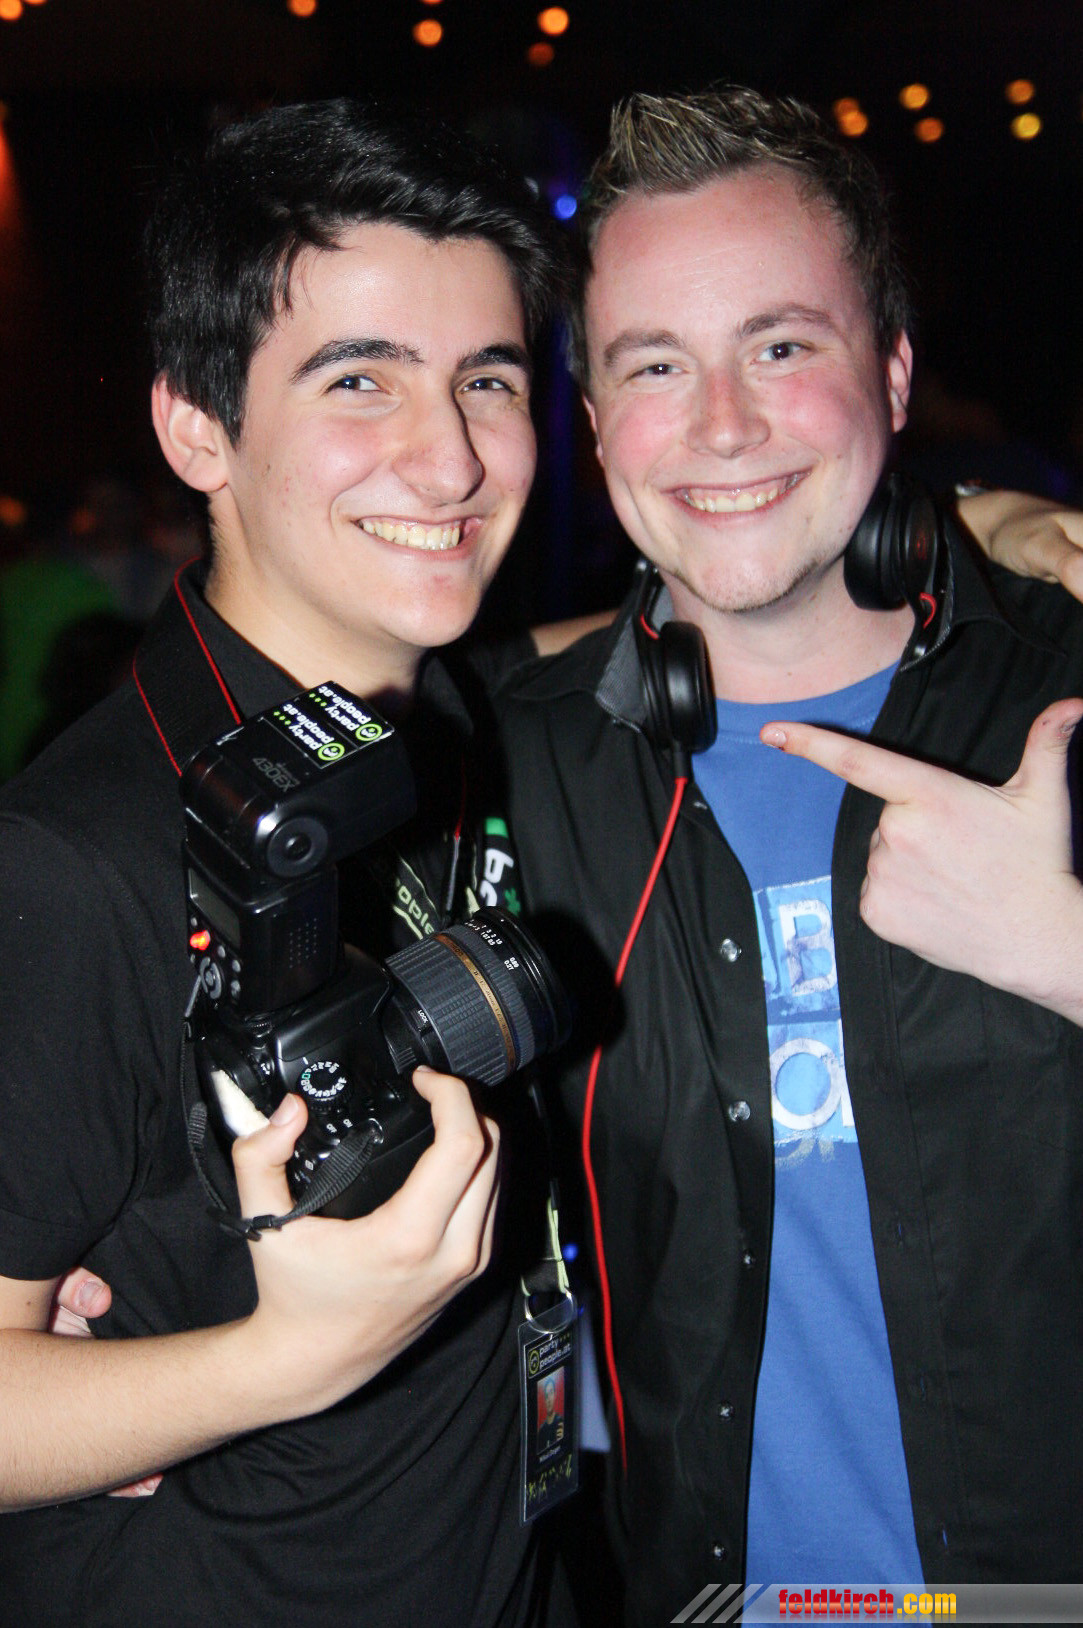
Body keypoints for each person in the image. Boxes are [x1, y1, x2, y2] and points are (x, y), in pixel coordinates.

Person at [493, 86, 1083, 1623]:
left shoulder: (1070, 691)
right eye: (655, 365)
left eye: (780, 346)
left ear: (892, 369)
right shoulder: (511, 764)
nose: (723, 425)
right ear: (595, 420)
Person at [0, 100, 578, 1628]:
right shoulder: (71, 867)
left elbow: (614, 638)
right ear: (198, 427)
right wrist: (275, 1362)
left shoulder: (437, 710)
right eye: (360, 379)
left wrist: (961, 528)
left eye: (487, 379)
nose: (450, 460)